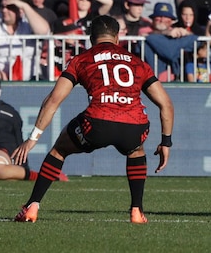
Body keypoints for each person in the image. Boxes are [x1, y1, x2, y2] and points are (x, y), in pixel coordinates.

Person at [12, 15, 174, 224]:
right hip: (135, 125)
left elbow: (53, 100)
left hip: (98, 123)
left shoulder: (82, 59)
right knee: (136, 150)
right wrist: (166, 141)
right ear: (117, 38)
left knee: (60, 149)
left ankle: (32, 206)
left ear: (90, 38)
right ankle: (137, 210)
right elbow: (166, 104)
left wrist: (33, 138)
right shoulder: (137, 62)